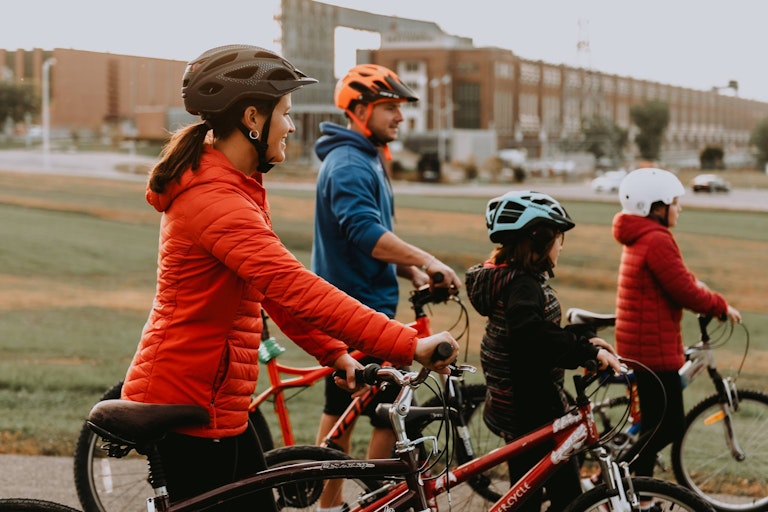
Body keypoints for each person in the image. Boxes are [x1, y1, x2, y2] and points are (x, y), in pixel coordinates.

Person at [119, 45, 459, 512]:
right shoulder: (216, 200)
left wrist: (335, 354)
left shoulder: (235, 189)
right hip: (189, 405)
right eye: (287, 113)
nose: (293, 126)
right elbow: (294, 285)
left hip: (217, 406)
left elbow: (272, 294)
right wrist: (405, 343)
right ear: (252, 118)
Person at [311, 64, 462, 512]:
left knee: (373, 406)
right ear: (358, 109)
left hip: (364, 302)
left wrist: (408, 271)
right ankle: (350, 503)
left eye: (400, 108)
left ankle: (362, 500)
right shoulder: (350, 163)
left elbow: (362, 239)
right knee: (349, 412)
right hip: (351, 311)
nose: (400, 117)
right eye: (389, 108)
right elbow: (362, 232)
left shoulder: (365, 157)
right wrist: (427, 259)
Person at [465, 190, 622, 512]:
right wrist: (584, 354)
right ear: (539, 242)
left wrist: (583, 341)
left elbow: (533, 330)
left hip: (522, 398)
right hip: (530, 404)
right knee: (549, 496)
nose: (561, 246)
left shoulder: (513, 281)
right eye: (558, 239)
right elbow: (531, 335)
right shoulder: (523, 285)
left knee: (546, 491)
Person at [612, 167, 741, 478]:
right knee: (670, 426)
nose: (679, 208)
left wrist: (706, 293)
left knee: (654, 425)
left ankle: (639, 496)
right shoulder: (656, 239)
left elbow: (680, 278)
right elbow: (684, 290)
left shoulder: (644, 236)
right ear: (656, 206)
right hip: (652, 349)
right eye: (674, 202)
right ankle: (618, 477)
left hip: (645, 342)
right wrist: (720, 306)